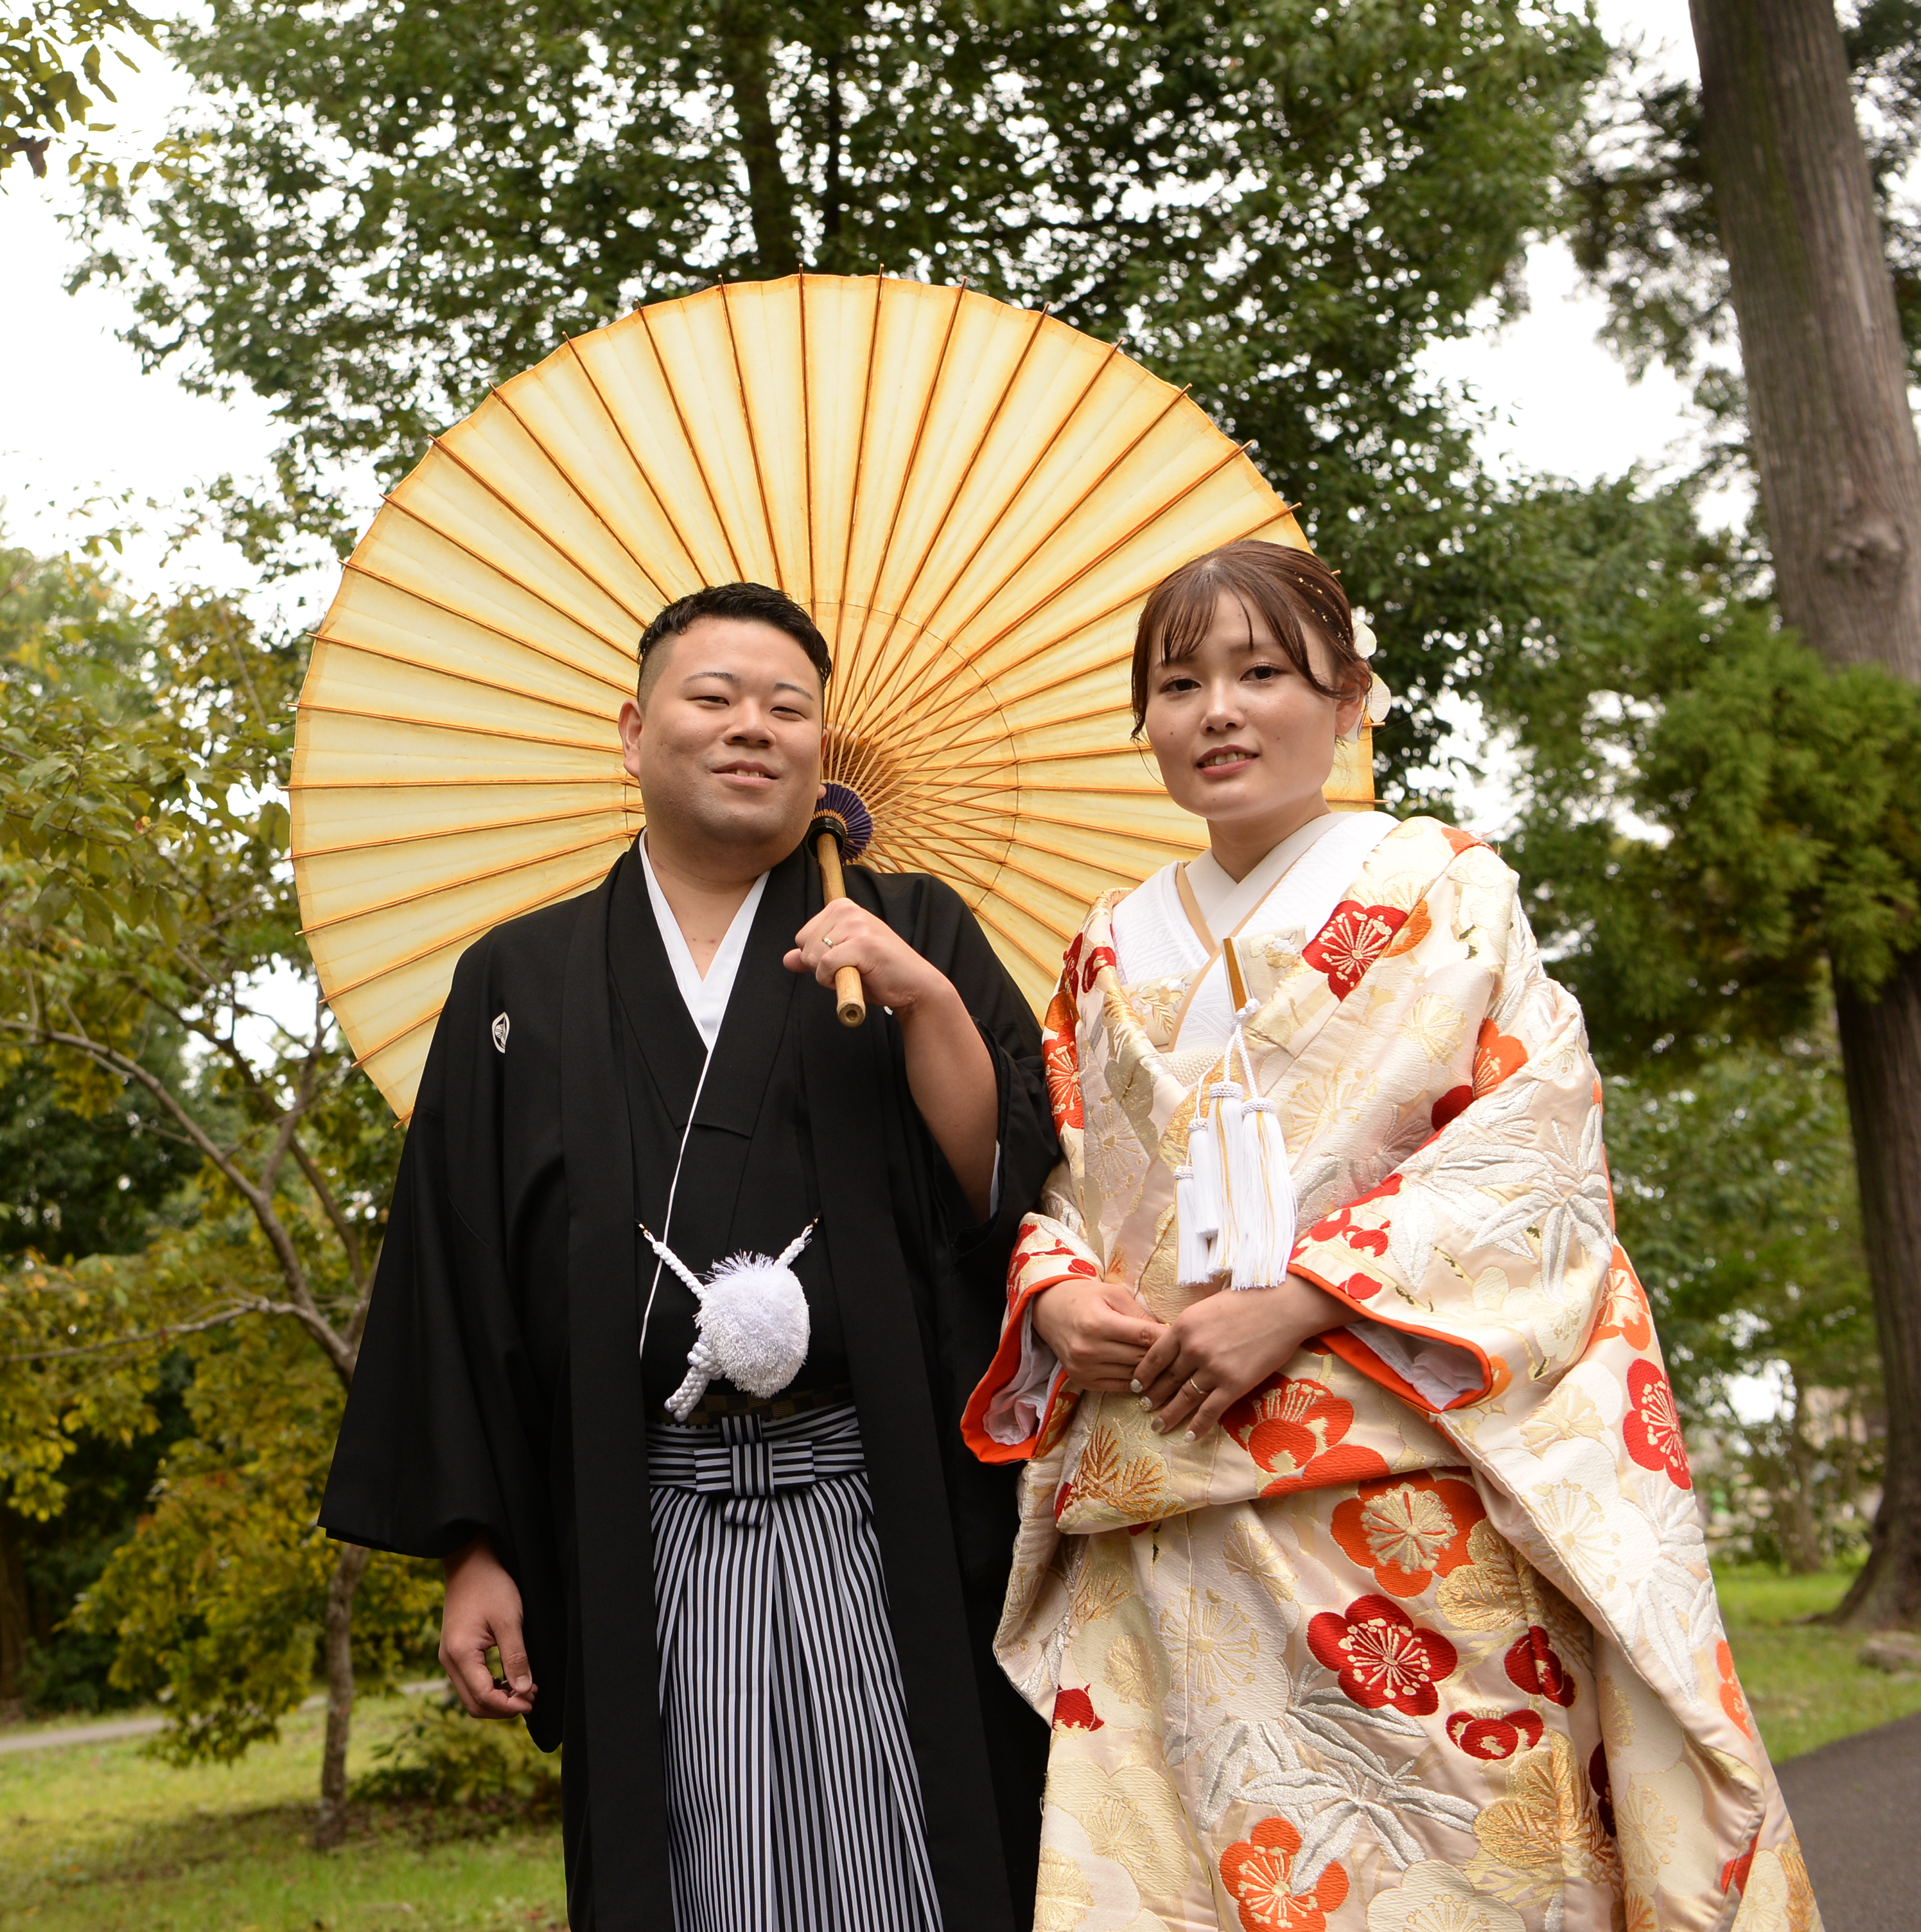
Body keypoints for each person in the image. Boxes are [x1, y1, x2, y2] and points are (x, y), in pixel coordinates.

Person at [963, 540, 1820, 1931]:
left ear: (1351, 696)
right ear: (1144, 725)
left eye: (1263, 673)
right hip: (1173, 1497)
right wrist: (1060, 1299)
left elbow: (1532, 1149)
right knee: (1182, 1871)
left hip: (1401, 1490)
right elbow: (1070, 1189)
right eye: (1177, 684)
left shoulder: (1445, 889)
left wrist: (1306, 1294)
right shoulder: (1108, 946)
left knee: (1458, 1863)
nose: (1218, 712)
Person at [320, 581, 1057, 1932]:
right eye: (713, 698)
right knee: (694, 1873)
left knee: (919, 1854)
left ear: (823, 754)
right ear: (633, 729)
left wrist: (928, 998)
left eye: (788, 708)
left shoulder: (909, 929)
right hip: (639, 1506)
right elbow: (461, 1265)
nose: (752, 729)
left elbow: (1011, 1188)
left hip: (879, 1494)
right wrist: (478, 1548)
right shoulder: (518, 979)